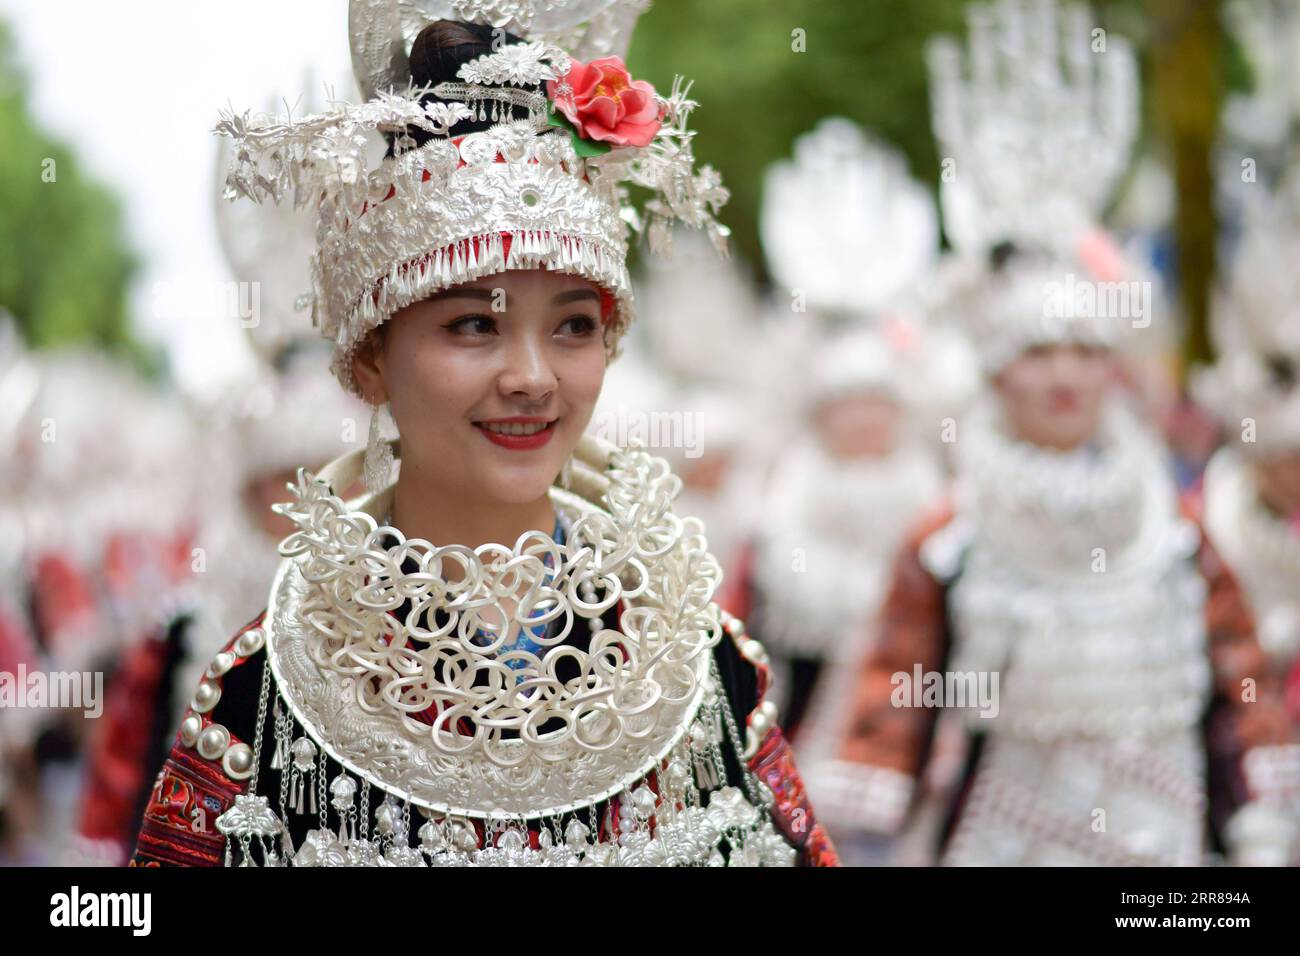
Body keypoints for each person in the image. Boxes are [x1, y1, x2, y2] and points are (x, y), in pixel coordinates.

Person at [131, 0, 836, 868]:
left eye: (574, 327)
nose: (533, 377)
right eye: (474, 326)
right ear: (370, 362)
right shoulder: (266, 693)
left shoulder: (693, 663)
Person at [818, 0, 1296, 866]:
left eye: (1086, 350)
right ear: (997, 371)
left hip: (1164, 835)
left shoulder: (1174, 530)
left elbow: (1241, 681)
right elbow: (896, 687)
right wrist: (870, 828)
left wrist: (1263, 816)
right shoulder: (949, 537)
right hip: (1003, 830)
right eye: (1040, 351)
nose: (1066, 376)